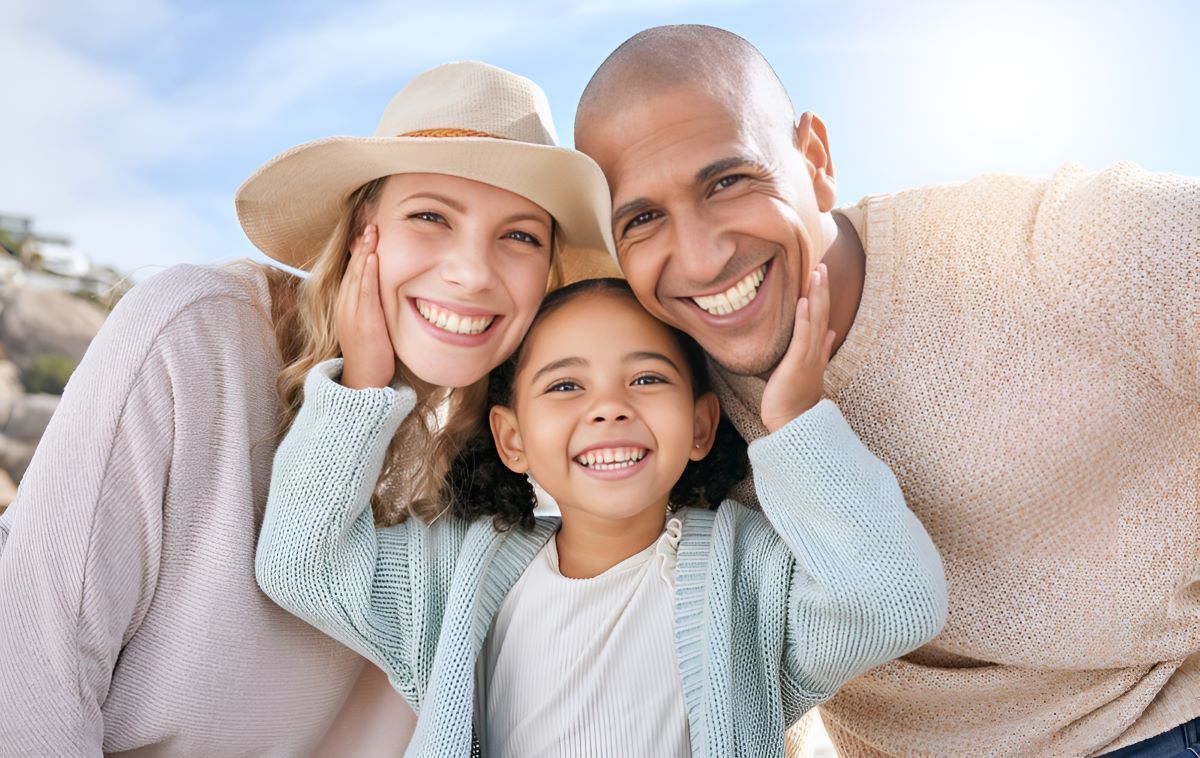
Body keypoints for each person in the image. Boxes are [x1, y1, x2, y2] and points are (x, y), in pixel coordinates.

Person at [572, 24, 1200, 758]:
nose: (704, 257)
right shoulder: (667, 404)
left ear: (814, 160)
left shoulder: (1057, 248)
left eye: (728, 181)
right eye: (644, 218)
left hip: (1152, 721)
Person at [0, 60, 614, 756]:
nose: (473, 271)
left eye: (521, 235)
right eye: (430, 216)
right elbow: (32, 673)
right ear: (361, 230)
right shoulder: (195, 336)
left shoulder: (489, 467)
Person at [256, 275, 947, 757]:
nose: (610, 406)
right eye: (564, 385)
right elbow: (300, 565)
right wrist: (363, 386)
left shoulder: (752, 580)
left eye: (647, 378)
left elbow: (894, 602)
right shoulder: (456, 576)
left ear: (702, 426)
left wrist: (795, 424)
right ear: (512, 438)